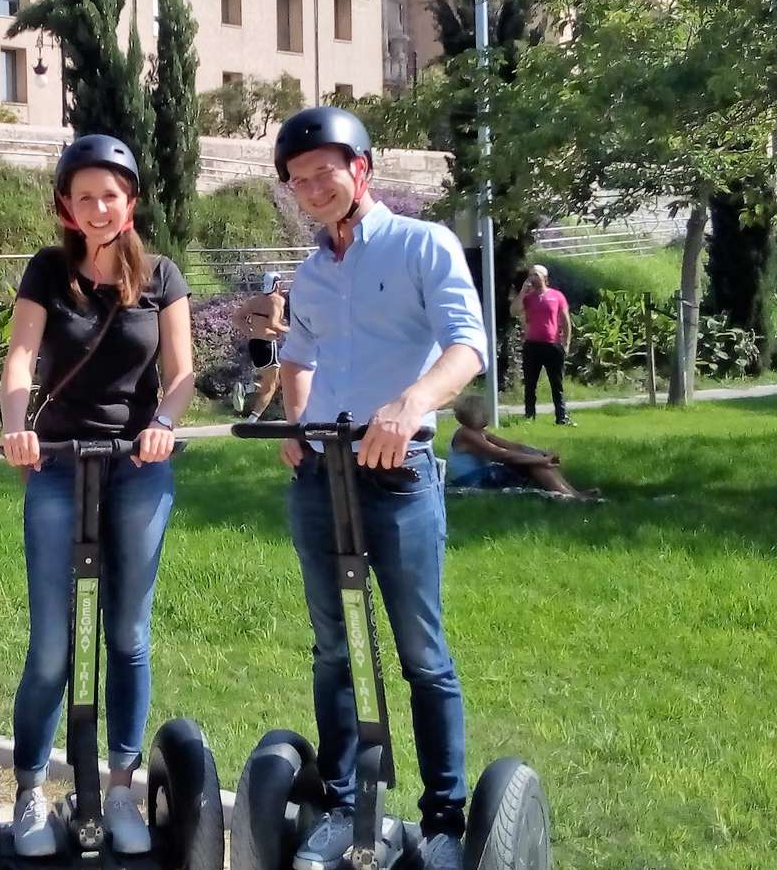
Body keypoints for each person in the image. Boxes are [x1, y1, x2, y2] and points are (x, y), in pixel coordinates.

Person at [267, 106, 487, 870]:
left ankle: (444, 823)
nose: (312, 189)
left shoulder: (424, 245)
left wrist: (412, 403)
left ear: (361, 169)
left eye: (323, 172)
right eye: (298, 181)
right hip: (322, 475)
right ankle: (341, 805)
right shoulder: (312, 275)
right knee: (334, 648)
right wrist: (295, 421)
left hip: (399, 475)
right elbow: (296, 356)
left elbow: (469, 346)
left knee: (421, 654)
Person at [0, 134, 195, 857]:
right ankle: (28, 789)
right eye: (85, 197)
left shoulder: (163, 276)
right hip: (55, 462)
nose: (100, 207)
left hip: (137, 466)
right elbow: (21, 357)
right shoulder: (49, 271)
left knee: (128, 633)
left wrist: (164, 426)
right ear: (67, 209)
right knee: (52, 641)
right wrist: (16, 427)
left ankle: (120, 787)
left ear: (131, 202)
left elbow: (180, 375)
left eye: (111, 195)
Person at [446, 393, 596, 500]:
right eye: (484, 413)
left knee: (534, 459)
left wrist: (539, 453)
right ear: (474, 415)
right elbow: (501, 455)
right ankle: (570, 497)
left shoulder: (479, 432)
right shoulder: (466, 434)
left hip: (481, 474)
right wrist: (538, 460)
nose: (488, 416)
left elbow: (512, 446)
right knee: (533, 463)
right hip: (472, 480)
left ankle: (573, 493)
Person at [512, 264, 575, 426]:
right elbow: (514, 311)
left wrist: (566, 343)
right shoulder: (527, 298)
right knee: (530, 383)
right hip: (532, 345)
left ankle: (562, 417)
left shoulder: (556, 296)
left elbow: (565, 320)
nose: (532, 278)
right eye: (530, 275)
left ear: (545, 278)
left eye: (536, 275)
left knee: (557, 384)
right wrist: (522, 292)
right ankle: (529, 415)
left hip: (552, 345)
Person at [233, 271, 291, 422]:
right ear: (276, 284)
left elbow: (237, 317)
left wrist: (250, 332)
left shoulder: (254, 300)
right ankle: (251, 419)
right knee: (271, 386)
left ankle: (248, 389)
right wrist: (291, 330)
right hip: (267, 345)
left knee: (272, 382)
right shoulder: (277, 300)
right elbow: (273, 324)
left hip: (254, 344)